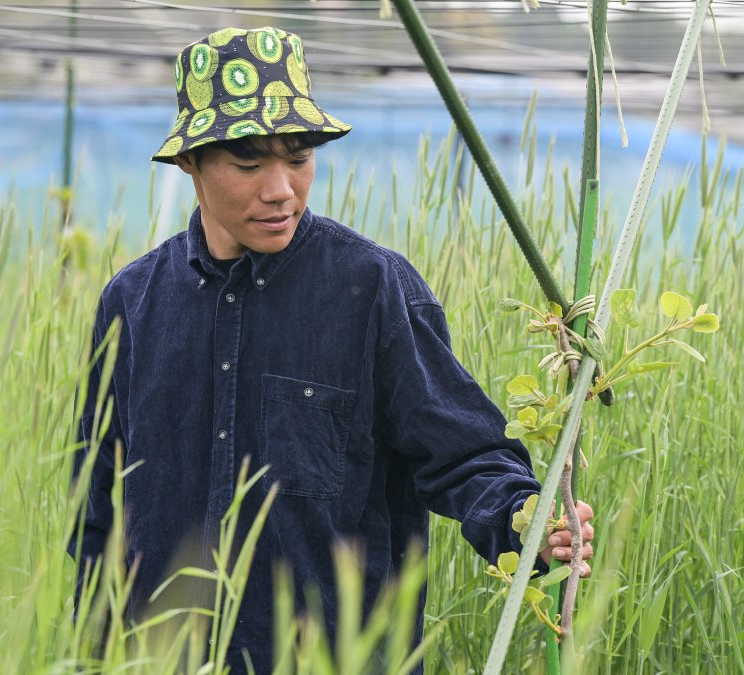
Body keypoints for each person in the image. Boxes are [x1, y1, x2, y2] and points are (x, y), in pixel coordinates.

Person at [67, 26, 595, 671]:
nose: (281, 189)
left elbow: (463, 455)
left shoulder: (372, 288)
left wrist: (527, 521)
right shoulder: (134, 303)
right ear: (191, 162)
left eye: (298, 159)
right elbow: (97, 506)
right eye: (249, 163)